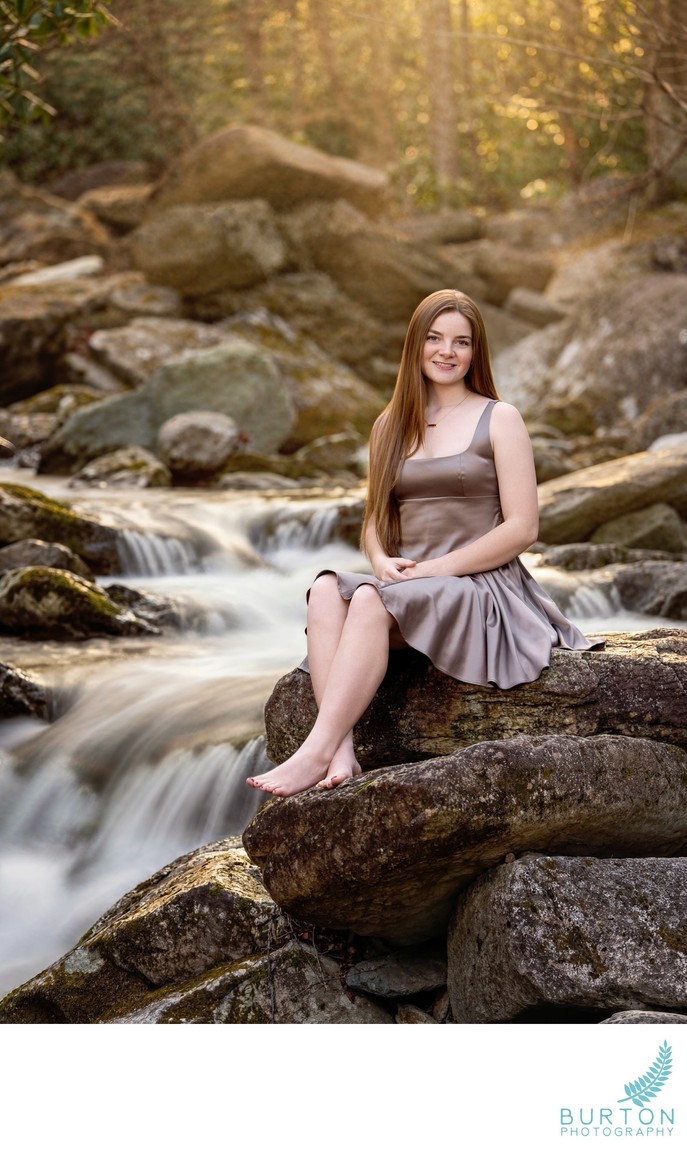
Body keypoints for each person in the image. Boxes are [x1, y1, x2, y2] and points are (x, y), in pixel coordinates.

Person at [247, 288, 596, 798]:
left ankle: (313, 752)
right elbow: (375, 520)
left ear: (476, 353)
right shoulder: (389, 426)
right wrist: (381, 559)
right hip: (408, 586)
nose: (447, 352)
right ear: (415, 345)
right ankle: (340, 750)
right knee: (325, 589)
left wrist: (437, 570)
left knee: (366, 599)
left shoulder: (499, 418)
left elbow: (523, 528)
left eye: (461, 341)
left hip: (480, 587)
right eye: (434, 338)